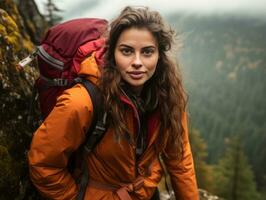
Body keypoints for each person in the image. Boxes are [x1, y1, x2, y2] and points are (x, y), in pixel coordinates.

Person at [28, 6, 199, 200]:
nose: (137, 62)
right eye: (126, 51)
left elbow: (180, 159)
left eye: (147, 52)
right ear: (112, 53)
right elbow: (43, 163)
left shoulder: (167, 96)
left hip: (146, 193)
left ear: (160, 56)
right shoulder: (82, 102)